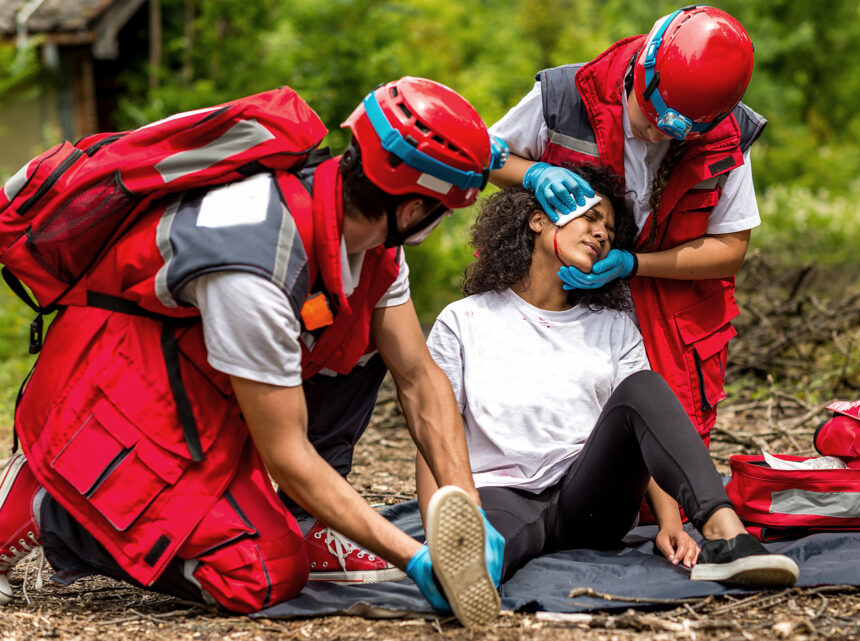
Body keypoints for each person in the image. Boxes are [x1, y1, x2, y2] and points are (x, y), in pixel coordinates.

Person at [0, 77, 504, 626]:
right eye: (445, 210)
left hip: (209, 368)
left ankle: (295, 521)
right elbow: (287, 456)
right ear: (411, 210)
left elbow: (419, 378)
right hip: (124, 381)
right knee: (258, 575)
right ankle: (55, 501)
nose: (443, 221)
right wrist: (414, 559)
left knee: (361, 337)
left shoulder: (369, 239)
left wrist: (466, 519)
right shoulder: (256, 264)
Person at [423, 163, 799, 586]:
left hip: (590, 497)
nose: (602, 233)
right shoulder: (465, 319)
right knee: (477, 558)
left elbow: (645, 427)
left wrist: (670, 522)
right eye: (590, 217)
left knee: (643, 385)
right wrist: (433, 529)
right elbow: (433, 433)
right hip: (500, 495)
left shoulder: (615, 324)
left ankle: (725, 535)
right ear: (538, 219)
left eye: (610, 228)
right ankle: (462, 572)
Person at [489, 6, 765, 447]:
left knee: (667, 455)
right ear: (643, 70)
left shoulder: (729, 134)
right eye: (649, 120)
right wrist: (532, 174)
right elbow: (485, 155)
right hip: (561, 309)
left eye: (676, 134)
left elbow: (729, 249)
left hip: (672, 324)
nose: (657, 138)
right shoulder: (565, 97)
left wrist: (634, 264)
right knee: (553, 444)